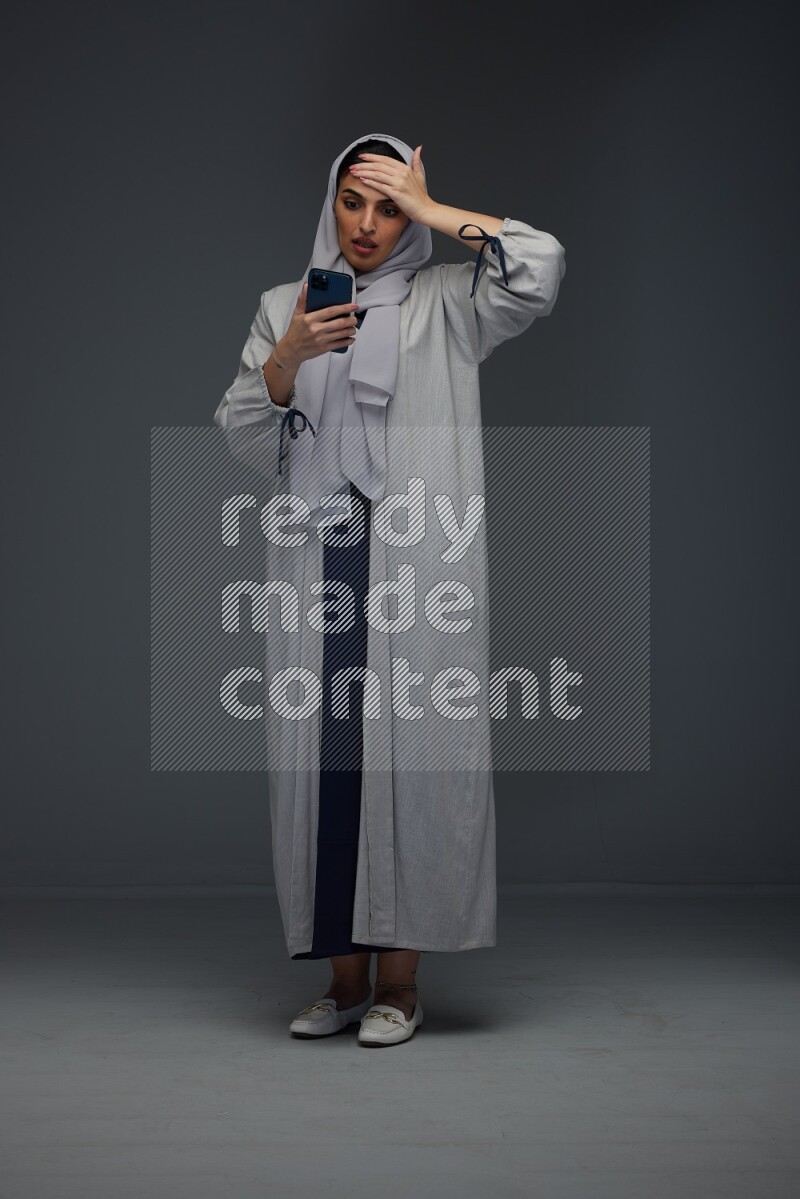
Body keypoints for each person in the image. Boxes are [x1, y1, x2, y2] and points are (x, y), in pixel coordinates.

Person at [214, 132, 565, 1047]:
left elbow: (539, 265)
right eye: (352, 201)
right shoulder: (281, 306)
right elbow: (249, 442)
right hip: (320, 561)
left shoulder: (449, 302)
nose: (367, 225)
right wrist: (287, 354)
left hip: (416, 565)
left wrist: (438, 214)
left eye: (386, 204)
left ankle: (401, 988)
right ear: (327, 204)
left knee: (412, 757)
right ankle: (341, 980)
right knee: (326, 764)